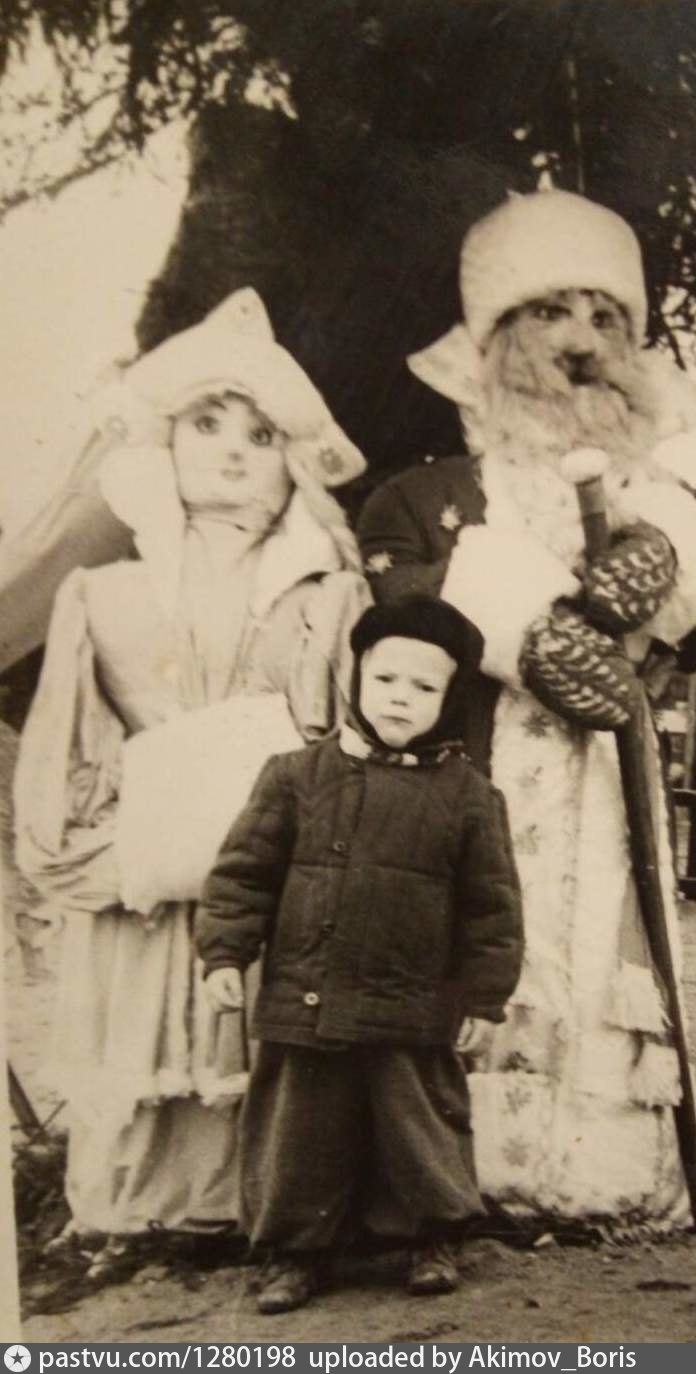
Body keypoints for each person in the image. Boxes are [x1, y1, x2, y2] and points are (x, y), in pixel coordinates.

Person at [357, 188, 696, 1228]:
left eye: (605, 319)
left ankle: (591, 1175)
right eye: (549, 314)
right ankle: (448, 1174)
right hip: (465, 770)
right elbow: (394, 606)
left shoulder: (665, 500)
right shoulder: (422, 498)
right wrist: (521, 626)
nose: (580, 343)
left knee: (596, 942)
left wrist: (663, 570)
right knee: (466, 941)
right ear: (491, 344)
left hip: (601, 783)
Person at [14, 289, 369, 1273]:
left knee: (258, 1023)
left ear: (293, 459)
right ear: (162, 442)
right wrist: (100, 849)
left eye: (260, 435)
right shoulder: (104, 593)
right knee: (143, 1026)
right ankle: (135, 1213)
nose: (232, 453)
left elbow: (343, 736)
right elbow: (68, 748)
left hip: (271, 870)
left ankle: (260, 1203)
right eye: (206, 425)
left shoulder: (328, 593)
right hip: (145, 862)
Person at [196, 596, 523, 1314]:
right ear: (356, 678)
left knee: (418, 1123)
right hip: (309, 988)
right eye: (386, 679)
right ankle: (296, 1251)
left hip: (414, 998)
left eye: (424, 687)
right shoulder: (294, 776)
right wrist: (224, 955)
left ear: (449, 698)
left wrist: (484, 996)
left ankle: (432, 1238)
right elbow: (243, 875)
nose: (401, 698)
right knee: (302, 1129)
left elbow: (492, 910)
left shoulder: (470, 798)